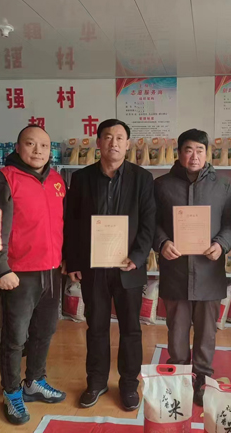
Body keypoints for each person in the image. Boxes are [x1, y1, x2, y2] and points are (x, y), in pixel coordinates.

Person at [63, 119, 156, 411]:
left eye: (119, 138)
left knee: (131, 329)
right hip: (93, 267)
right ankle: (96, 382)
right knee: (96, 327)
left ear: (128, 144)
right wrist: (73, 259)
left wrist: (138, 257)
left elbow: (149, 222)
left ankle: (128, 385)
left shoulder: (142, 178)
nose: (113, 143)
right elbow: (72, 222)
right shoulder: (82, 178)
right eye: (107, 137)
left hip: (129, 267)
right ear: (98, 142)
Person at [0, 125, 66, 425]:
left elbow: (62, 224)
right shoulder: (4, 179)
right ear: (18, 147)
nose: (38, 151)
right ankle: (12, 391)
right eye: (30, 144)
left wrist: (65, 259)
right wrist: (1, 267)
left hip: (52, 271)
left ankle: (34, 381)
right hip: (18, 274)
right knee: (15, 337)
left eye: (44, 146)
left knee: (45, 331)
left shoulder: (56, 181)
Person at [153, 129, 231, 406]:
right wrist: (162, 242)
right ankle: (179, 376)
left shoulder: (223, 186)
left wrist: (221, 244)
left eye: (200, 150)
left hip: (209, 271)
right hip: (175, 270)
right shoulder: (162, 185)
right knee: (176, 329)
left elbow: (230, 224)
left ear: (207, 153)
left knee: (206, 331)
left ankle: (202, 377)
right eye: (188, 150)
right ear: (179, 153)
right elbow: (152, 222)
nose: (194, 156)